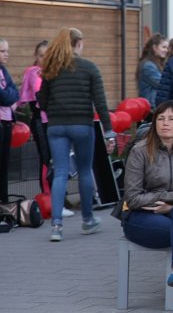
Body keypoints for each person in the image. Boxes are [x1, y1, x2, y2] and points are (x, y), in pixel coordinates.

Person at [121, 101, 173, 313]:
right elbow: (133, 197)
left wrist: (172, 206)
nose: (165, 123)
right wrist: (172, 197)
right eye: (161, 118)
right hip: (139, 217)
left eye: (172, 119)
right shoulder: (140, 151)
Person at [37, 28, 113, 242]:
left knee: (60, 173)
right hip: (82, 125)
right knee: (85, 170)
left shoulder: (51, 69)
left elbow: (41, 101)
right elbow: (100, 103)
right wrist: (109, 131)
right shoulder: (89, 68)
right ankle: (88, 220)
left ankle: (56, 226)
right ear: (78, 43)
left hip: (56, 126)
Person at [17, 40, 51, 191]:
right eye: (41, 55)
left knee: (55, 159)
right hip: (40, 121)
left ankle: (57, 194)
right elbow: (39, 92)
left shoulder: (53, 72)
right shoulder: (34, 72)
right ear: (36, 56)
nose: (44, 59)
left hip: (54, 121)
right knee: (46, 158)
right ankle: (47, 194)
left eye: (47, 56)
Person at [0, 38, 16, 202]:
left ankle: (4, 202)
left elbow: (14, 92)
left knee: (5, 165)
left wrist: (8, 96)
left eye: (7, 51)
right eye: (2, 51)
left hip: (6, 121)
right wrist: (8, 96)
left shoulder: (4, 71)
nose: (6, 54)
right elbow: (4, 96)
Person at [136, 34, 169, 108]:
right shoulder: (148, 66)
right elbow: (162, 83)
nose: (166, 50)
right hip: (151, 107)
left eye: (167, 48)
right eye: (164, 47)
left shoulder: (156, 63)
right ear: (154, 47)